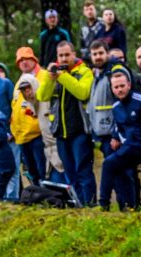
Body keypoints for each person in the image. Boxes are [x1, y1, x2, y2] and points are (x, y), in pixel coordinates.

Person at [37, 40, 95, 205]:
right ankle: (76, 204)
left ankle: (89, 204)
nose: (63, 59)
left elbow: (82, 92)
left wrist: (63, 77)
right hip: (61, 132)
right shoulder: (55, 75)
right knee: (69, 172)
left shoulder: (84, 72)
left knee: (83, 170)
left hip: (80, 131)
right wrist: (49, 78)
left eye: (66, 55)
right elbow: (42, 96)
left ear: (74, 54)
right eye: (60, 55)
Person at [99, 69, 141, 210]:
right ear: (112, 89)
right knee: (110, 164)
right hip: (131, 147)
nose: (120, 90)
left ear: (129, 85)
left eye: (122, 86)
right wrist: (115, 137)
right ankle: (106, 204)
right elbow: (118, 126)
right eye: (116, 87)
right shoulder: (116, 107)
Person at [17, 47, 65, 182]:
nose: (24, 62)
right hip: (27, 138)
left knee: (57, 172)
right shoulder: (20, 83)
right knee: (38, 174)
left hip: (48, 138)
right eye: (21, 60)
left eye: (27, 59)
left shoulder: (45, 76)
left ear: (34, 59)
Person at [12, 73, 46, 187]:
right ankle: (38, 192)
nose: (26, 91)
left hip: (37, 136)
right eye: (23, 89)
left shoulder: (40, 96)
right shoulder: (17, 96)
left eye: (28, 87)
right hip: (21, 138)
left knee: (42, 169)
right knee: (31, 170)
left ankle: (47, 192)